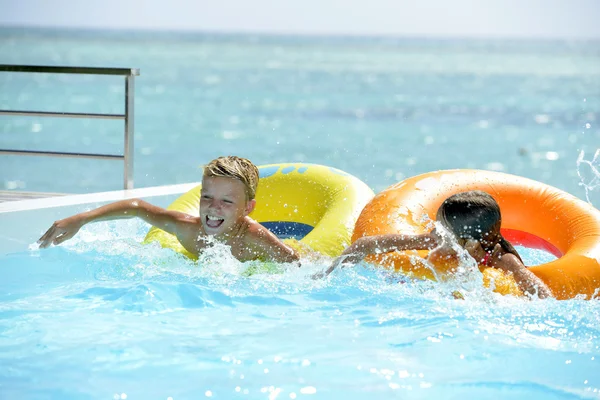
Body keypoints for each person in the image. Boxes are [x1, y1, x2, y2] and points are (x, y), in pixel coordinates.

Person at [38, 156, 300, 264]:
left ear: (248, 208)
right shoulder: (187, 229)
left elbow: (298, 265)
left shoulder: (255, 239)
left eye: (227, 202)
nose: (213, 207)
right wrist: (82, 219)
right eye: (207, 196)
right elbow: (138, 208)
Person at [318, 191, 553, 299]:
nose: (435, 232)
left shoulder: (502, 259)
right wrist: (329, 272)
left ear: (470, 244)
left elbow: (541, 295)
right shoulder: (435, 240)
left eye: (442, 229)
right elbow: (365, 245)